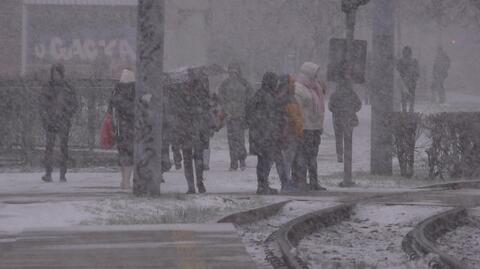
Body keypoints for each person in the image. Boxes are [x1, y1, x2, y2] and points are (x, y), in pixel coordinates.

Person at [247, 72, 297, 194]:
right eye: (274, 82)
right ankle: (264, 186)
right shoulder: (267, 97)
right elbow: (271, 117)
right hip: (265, 135)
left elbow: (250, 115)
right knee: (265, 160)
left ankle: (263, 185)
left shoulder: (259, 95)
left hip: (258, 134)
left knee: (264, 160)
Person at [39, 63, 78, 183]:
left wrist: (66, 114)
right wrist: (46, 116)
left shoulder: (68, 88)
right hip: (51, 120)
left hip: (63, 120)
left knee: (63, 148)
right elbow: (42, 104)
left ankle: (62, 174)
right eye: (53, 73)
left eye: (57, 73)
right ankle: (48, 173)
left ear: (61, 74)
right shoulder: (48, 87)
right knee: (49, 147)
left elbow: (74, 104)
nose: (55, 76)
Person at [292, 62, 327, 191]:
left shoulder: (315, 88)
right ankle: (300, 181)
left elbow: (319, 109)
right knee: (301, 155)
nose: (317, 76)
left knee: (312, 156)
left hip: (315, 128)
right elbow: (297, 109)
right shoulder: (299, 88)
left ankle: (313, 181)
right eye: (315, 73)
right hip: (304, 128)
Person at [177, 69, 212, 194]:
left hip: (187, 130)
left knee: (188, 158)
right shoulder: (201, 92)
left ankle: (192, 185)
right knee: (197, 157)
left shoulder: (181, 93)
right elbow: (207, 109)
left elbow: (177, 112)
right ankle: (198, 182)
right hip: (197, 129)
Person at [218, 63, 253, 171]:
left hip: (240, 115)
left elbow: (250, 96)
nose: (232, 74)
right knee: (231, 140)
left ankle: (242, 159)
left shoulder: (244, 83)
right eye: (231, 72)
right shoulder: (225, 84)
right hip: (230, 116)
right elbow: (220, 96)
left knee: (240, 139)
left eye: (234, 72)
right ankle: (233, 162)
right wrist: (225, 107)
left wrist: (246, 108)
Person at [109, 69, 135, 189]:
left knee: (123, 154)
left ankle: (124, 180)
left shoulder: (116, 92)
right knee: (129, 154)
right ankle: (126, 180)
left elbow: (111, 109)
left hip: (120, 128)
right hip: (132, 128)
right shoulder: (134, 92)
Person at [329, 81, 362, 165]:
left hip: (337, 119)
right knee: (348, 137)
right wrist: (352, 110)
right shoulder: (352, 94)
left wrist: (337, 111)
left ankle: (339, 155)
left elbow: (330, 107)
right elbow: (359, 105)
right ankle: (348, 154)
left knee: (338, 138)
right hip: (349, 118)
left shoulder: (335, 95)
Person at [396, 46, 420, 113]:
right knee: (407, 98)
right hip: (407, 83)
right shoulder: (412, 61)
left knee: (407, 98)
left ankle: (408, 110)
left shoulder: (402, 61)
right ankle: (407, 110)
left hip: (408, 82)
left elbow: (417, 72)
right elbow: (417, 72)